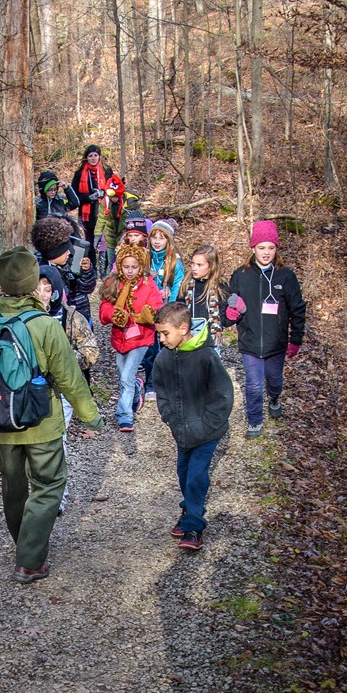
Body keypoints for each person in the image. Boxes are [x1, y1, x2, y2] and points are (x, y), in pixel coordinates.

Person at [0, 247, 103, 584]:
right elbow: (69, 377)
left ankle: (24, 546)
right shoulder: (44, 324)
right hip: (41, 423)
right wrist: (90, 415)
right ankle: (29, 559)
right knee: (49, 485)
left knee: (13, 488)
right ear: (31, 283)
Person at [152, 302, 234, 551]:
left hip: (206, 432)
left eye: (165, 333)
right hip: (182, 430)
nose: (161, 339)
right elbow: (161, 389)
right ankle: (189, 509)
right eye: (159, 334)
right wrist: (169, 415)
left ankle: (194, 527)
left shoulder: (207, 356)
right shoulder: (164, 357)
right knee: (184, 473)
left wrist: (208, 423)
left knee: (197, 475)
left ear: (184, 328)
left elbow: (223, 394)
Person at [225, 220, 306, 439]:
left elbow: (297, 308)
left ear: (276, 249)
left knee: (274, 379)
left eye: (271, 247)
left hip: (276, 343)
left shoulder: (286, 276)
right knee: (252, 385)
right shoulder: (240, 275)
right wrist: (230, 314)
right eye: (261, 247)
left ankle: (274, 397)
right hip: (250, 342)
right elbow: (229, 304)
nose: (266, 252)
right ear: (253, 248)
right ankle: (254, 421)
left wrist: (295, 339)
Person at [35, 266, 99, 515]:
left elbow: (91, 350)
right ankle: (39, 490)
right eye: (37, 287)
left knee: (56, 441)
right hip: (33, 391)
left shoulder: (72, 318)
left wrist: (65, 361)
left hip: (62, 390)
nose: (42, 293)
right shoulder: (26, 318)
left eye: (47, 288)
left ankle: (57, 497)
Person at [99, 244, 163, 432]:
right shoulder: (114, 284)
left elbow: (157, 306)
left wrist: (149, 314)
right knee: (123, 375)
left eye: (134, 267)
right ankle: (136, 387)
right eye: (126, 266)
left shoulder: (148, 284)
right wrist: (114, 315)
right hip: (120, 338)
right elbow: (103, 308)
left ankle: (124, 416)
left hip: (142, 338)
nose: (129, 271)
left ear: (141, 266)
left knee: (126, 375)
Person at [141, 219, 185, 398]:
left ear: (169, 240)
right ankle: (151, 383)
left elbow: (177, 286)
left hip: (166, 310)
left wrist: (171, 310)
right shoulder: (145, 257)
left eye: (162, 238)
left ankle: (170, 383)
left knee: (168, 347)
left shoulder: (175, 261)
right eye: (154, 237)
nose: (157, 241)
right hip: (148, 310)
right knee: (150, 349)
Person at [31, 217, 96, 326]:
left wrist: (86, 271)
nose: (69, 252)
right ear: (54, 253)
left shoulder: (71, 262)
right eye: (65, 250)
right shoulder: (39, 274)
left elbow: (87, 288)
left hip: (80, 317)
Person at [178, 244, 229, 353]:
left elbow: (224, 318)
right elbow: (179, 308)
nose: (194, 268)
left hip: (211, 340)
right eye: (193, 263)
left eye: (199, 265)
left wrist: (234, 313)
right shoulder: (186, 285)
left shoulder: (221, 287)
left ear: (211, 266)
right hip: (189, 337)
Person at [71, 145, 114, 264]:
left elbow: (114, 189)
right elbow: (74, 196)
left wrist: (104, 193)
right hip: (87, 214)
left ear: (99, 156)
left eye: (96, 155)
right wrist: (89, 197)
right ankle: (91, 267)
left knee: (104, 241)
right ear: (86, 158)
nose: (93, 158)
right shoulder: (79, 173)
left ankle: (105, 268)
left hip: (104, 211)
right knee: (89, 241)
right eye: (90, 156)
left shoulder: (107, 170)